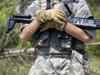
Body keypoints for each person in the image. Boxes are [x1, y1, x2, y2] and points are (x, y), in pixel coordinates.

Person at [20, 0, 97, 75]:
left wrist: (61, 24)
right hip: (43, 63)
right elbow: (23, 36)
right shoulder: (38, 4)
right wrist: (39, 19)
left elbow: (85, 37)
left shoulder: (78, 3)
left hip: (72, 63)